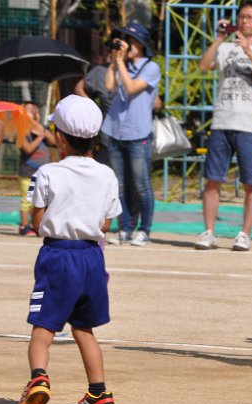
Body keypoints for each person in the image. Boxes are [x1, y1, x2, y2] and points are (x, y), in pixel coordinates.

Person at [13, 95, 121, 404]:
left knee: (43, 327)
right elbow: (106, 224)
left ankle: (38, 379)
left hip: (58, 255)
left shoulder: (47, 172)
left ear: (59, 138)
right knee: (84, 328)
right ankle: (99, 395)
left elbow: (37, 222)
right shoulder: (107, 175)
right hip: (92, 257)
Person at [196, 0, 252, 252]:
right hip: (222, 121)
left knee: (251, 182)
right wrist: (219, 39)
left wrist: (249, 52)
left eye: (250, 17)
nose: (245, 21)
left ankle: (245, 233)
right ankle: (209, 231)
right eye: (242, 16)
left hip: (249, 124)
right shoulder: (225, 48)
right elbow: (203, 65)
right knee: (212, 180)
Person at [101, 21, 160, 247]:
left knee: (141, 184)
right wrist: (115, 61)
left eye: (132, 41)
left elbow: (132, 88)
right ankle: (124, 229)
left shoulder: (151, 68)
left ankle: (144, 230)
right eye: (125, 40)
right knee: (119, 186)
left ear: (141, 44)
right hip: (116, 131)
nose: (128, 44)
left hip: (138, 134)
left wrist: (120, 63)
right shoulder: (122, 64)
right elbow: (108, 86)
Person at [17, 102, 56, 236]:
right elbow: (27, 149)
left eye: (36, 111)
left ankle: (37, 226)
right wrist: (40, 137)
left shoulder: (42, 130)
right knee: (27, 200)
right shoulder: (22, 131)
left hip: (42, 173)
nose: (34, 113)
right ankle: (24, 226)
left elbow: (54, 142)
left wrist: (42, 131)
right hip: (27, 173)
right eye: (30, 111)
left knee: (40, 201)